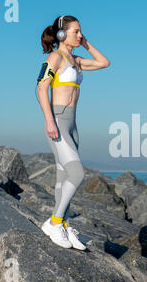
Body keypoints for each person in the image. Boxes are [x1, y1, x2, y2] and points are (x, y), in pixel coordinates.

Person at [37, 15, 110, 249]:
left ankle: (64, 226)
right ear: (62, 34)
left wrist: (86, 44)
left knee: (62, 176)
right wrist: (49, 120)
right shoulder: (55, 57)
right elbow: (41, 88)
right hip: (58, 121)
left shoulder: (76, 60)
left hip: (73, 124)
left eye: (81, 32)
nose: (80, 35)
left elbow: (104, 62)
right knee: (77, 173)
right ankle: (54, 222)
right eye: (76, 32)